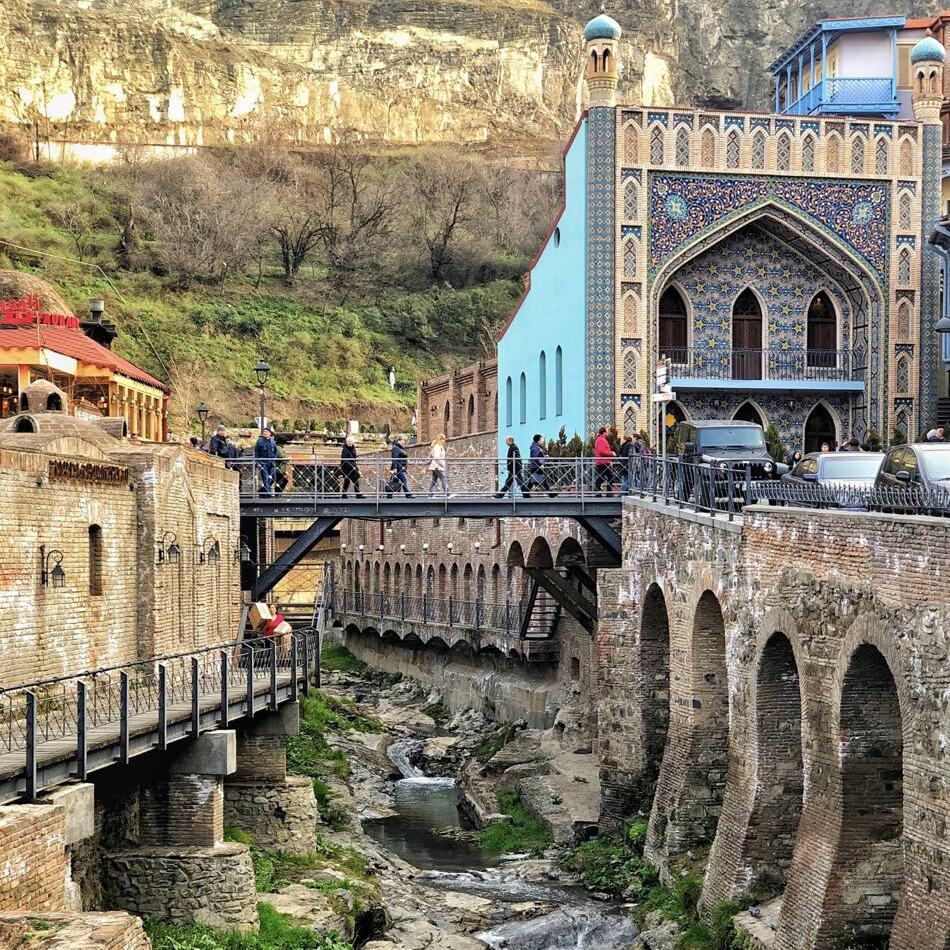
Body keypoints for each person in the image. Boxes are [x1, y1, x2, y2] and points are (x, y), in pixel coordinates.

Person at [254, 426, 277, 494]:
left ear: (270, 433)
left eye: (267, 432)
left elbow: (275, 451)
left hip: (271, 463)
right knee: (265, 478)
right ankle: (268, 495)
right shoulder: (260, 441)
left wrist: (274, 460)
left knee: (272, 478)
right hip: (263, 463)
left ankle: (265, 492)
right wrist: (258, 463)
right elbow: (256, 452)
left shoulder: (273, 441)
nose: (265, 433)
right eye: (264, 432)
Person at [593, 426, 616, 494]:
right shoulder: (601, 440)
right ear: (604, 432)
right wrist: (611, 453)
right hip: (603, 462)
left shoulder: (599, 439)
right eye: (607, 432)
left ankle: (598, 491)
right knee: (611, 476)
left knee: (600, 477)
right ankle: (608, 492)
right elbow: (601, 451)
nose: (608, 433)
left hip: (601, 462)